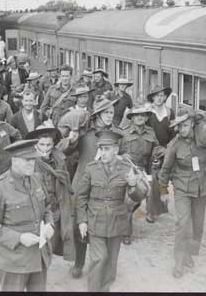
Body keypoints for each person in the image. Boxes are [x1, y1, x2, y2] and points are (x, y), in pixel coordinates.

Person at [77, 130, 147, 292]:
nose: (102, 153)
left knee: (111, 261)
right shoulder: (91, 168)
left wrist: (132, 185)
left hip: (117, 221)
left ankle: (105, 288)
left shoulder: (126, 167)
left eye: (106, 149)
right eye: (100, 149)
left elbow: (138, 197)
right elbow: (81, 197)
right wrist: (82, 221)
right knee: (99, 258)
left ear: (115, 149)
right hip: (95, 220)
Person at [60, 95, 122, 279]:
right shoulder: (86, 134)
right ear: (98, 115)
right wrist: (71, 140)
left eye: (112, 112)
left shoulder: (116, 135)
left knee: (104, 225)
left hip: (106, 187)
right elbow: (66, 151)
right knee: (81, 224)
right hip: (82, 186)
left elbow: (123, 157)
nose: (110, 115)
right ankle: (79, 264)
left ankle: (104, 265)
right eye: (107, 112)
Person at [0, 139, 54, 291]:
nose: (32, 164)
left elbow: (47, 206)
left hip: (39, 256)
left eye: (33, 160)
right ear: (14, 160)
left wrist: (49, 224)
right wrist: (19, 238)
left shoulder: (36, 179)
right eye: (27, 160)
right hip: (14, 260)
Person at [158, 109, 206, 279]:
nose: (181, 129)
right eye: (179, 126)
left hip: (202, 187)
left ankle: (188, 254)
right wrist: (163, 191)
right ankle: (179, 260)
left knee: (198, 225)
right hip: (182, 187)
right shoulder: (175, 144)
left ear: (192, 124)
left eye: (184, 125)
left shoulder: (203, 138)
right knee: (183, 223)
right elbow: (165, 170)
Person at [26, 123, 75, 262]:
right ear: (36, 145)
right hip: (35, 211)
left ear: (53, 144)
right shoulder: (29, 161)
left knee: (49, 247)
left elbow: (65, 183)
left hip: (55, 210)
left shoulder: (60, 160)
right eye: (42, 144)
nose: (45, 148)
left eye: (48, 145)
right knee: (34, 249)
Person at [120, 104, 165, 245]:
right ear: (132, 118)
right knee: (129, 202)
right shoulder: (124, 132)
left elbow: (155, 148)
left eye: (143, 115)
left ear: (146, 118)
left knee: (137, 201)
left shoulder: (150, 132)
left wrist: (158, 157)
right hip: (127, 170)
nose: (140, 118)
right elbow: (118, 152)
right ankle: (126, 234)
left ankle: (125, 220)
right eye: (137, 115)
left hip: (143, 170)